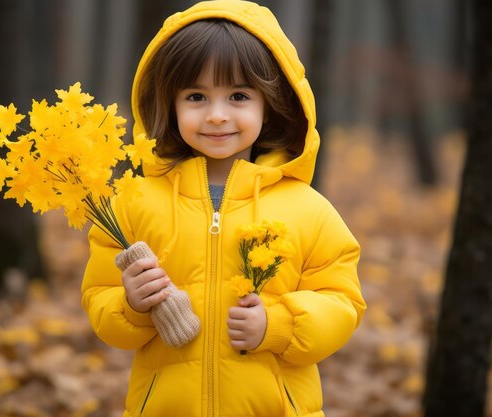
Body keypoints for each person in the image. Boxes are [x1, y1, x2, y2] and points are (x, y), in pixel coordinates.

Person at [81, 1, 366, 416]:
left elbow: (342, 303)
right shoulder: (134, 201)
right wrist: (131, 305)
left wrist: (278, 324)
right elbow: (100, 300)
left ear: (269, 104)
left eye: (238, 96)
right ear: (169, 103)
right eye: (196, 96)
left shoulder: (308, 209)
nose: (216, 116)